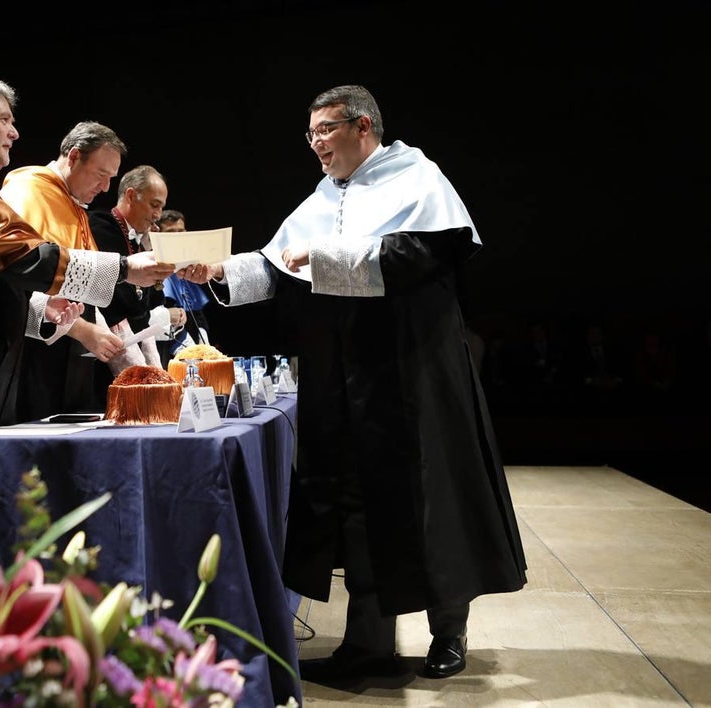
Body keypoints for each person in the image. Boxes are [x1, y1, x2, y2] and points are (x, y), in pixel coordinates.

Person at [180, 84, 527, 682]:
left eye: (325, 130)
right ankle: (366, 644)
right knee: (354, 501)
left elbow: (416, 256)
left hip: (412, 371)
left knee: (430, 497)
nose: (315, 144)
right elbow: (276, 263)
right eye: (309, 133)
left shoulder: (418, 180)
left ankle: (450, 632)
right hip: (347, 377)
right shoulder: (324, 196)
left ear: (363, 126)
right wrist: (217, 271)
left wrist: (320, 259)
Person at [0, 78, 174, 434]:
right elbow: (20, 257)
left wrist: (42, 309)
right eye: (3, 120)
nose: (15, 133)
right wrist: (124, 268)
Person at [0, 121, 133, 419]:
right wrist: (85, 332)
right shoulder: (29, 188)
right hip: (36, 354)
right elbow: (19, 278)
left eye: (112, 178)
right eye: (101, 174)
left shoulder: (73, 203)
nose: (106, 188)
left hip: (74, 354)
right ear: (73, 156)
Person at [87, 165, 177, 400]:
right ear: (130, 195)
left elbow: (152, 300)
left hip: (136, 339)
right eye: (154, 205)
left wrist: (152, 251)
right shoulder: (99, 226)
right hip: (104, 352)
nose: (158, 214)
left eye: (162, 207)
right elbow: (117, 299)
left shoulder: (139, 239)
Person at [155, 209, 214, 367]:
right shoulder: (150, 266)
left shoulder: (191, 266)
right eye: (171, 232)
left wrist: (204, 341)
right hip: (162, 347)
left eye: (180, 232)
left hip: (189, 349)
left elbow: (196, 311)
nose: (177, 237)